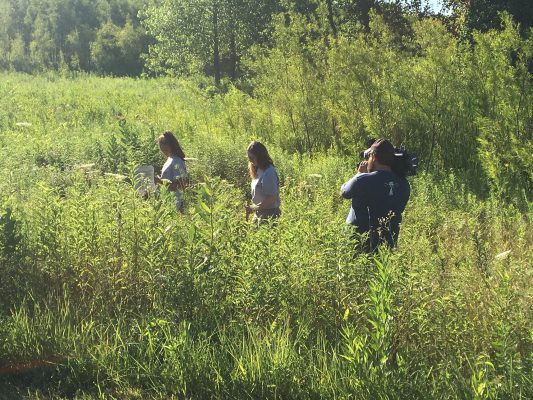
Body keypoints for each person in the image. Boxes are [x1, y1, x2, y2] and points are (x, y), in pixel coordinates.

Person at [340, 139, 410, 253]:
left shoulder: (362, 180)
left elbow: (344, 191)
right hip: (387, 245)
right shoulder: (404, 184)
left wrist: (359, 174)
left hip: (359, 244)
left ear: (374, 157)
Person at [244, 141, 281, 223]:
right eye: (248, 158)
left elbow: (272, 199)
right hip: (259, 212)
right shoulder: (258, 169)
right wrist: (253, 208)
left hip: (270, 215)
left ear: (260, 156)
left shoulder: (269, 172)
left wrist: (254, 208)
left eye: (252, 158)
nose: (250, 161)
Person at [155, 131, 188, 211]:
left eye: (165, 143)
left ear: (171, 144)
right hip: (167, 203)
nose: (163, 146)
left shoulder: (177, 161)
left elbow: (181, 185)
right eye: (161, 143)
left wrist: (160, 181)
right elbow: (168, 180)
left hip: (175, 204)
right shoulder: (169, 160)